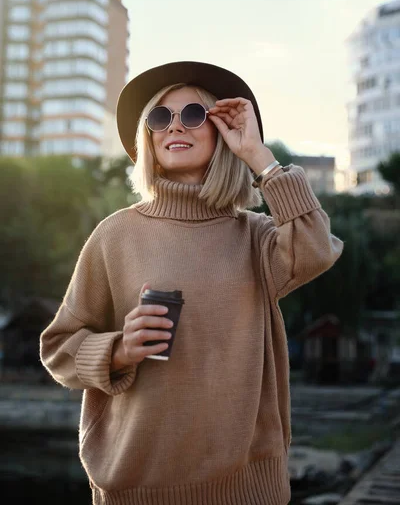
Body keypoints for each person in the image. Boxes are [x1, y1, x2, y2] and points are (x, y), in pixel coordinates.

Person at [40, 61, 344, 505]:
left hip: (246, 489)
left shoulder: (256, 236)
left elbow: (318, 250)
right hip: (134, 487)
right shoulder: (115, 234)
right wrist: (120, 349)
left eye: (195, 115)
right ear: (149, 136)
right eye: (160, 117)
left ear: (220, 131)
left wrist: (260, 156)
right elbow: (59, 348)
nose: (175, 126)